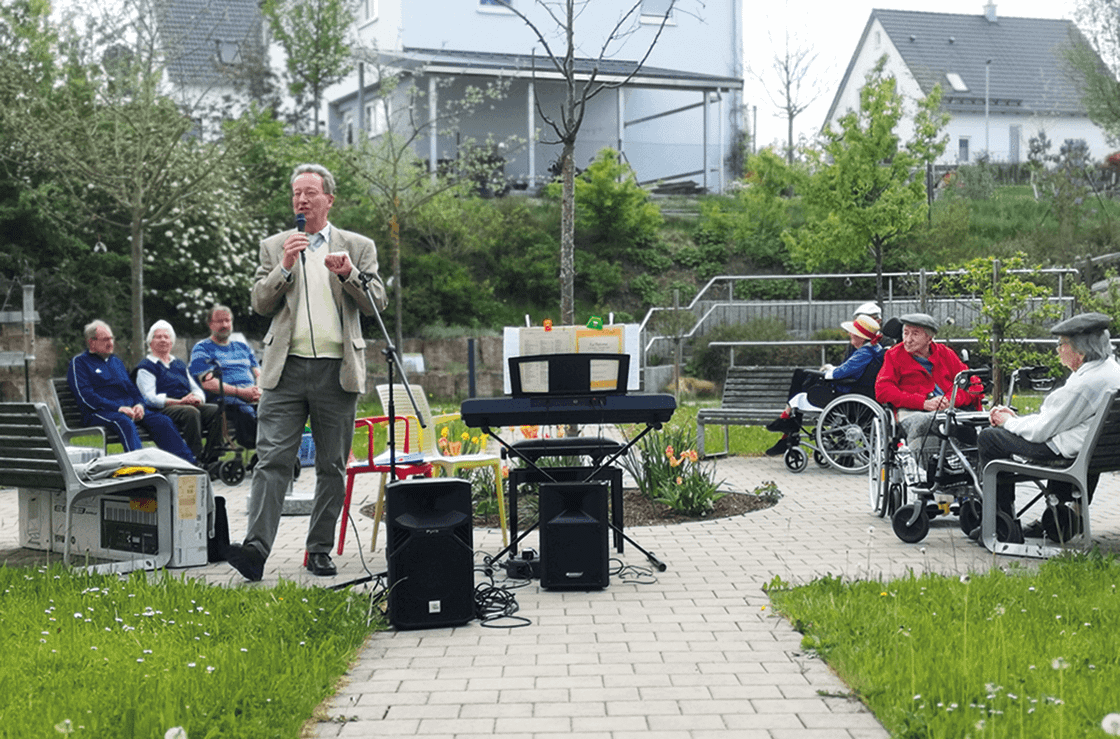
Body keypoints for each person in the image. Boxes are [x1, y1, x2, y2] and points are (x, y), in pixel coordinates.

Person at [225, 163, 386, 582]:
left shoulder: (358, 246)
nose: (301, 199)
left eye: (310, 192)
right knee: (271, 461)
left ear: (328, 199)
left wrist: (349, 274)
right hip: (285, 371)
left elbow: (376, 303)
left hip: (338, 371)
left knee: (332, 466)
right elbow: (260, 303)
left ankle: (318, 549)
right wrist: (284, 266)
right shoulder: (274, 246)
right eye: (296, 193)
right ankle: (256, 550)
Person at [975, 312, 1120, 540]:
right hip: (1099, 452)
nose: (1057, 350)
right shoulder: (1111, 369)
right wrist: (1017, 420)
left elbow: (1041, 431)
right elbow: (1056, 421)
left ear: (1081, 351)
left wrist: (1008, 421)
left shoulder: (1084, 384)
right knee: (1045, 437)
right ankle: (1059, 516)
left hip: (1070, 451)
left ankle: (999, 521)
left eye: (1062, 344)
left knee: (989, 438)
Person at [67, 319, 198, 465]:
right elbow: (86, 396)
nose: (110, 343)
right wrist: (118, 408)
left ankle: (187, 463)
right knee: (124, 422)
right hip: (99, 412)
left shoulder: (116, 362)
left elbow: (132, 389)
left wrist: (139, 405)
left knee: (162, 421)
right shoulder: (79, 363)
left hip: (129, 409)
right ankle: (140, 468)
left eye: (111, 338)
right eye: (105, 339)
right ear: (92, 342)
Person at [765, 314, 885, 457]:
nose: (849, 334)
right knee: (802, 377)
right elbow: (848, 370)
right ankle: (787, 423)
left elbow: (839, 373)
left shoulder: (864, 353)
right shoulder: (875, 349)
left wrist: (827, 372)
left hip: (844, 392)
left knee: (800, 374)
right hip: (853, 389)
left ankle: (786, 422)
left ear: (861, 337)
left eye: (852, 332)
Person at [875, 313, 983, 462]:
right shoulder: (894, 355)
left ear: (929, 338)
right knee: (926, 421)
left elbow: (974, 385)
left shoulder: (945, 353)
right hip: (912, 411)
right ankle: (922, 468)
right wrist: (922, 403)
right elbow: (883, 390)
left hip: (950, 410)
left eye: (915, 334)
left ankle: (968, 461)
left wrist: (950, 400)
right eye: (905, 333)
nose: (908, 339)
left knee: (969, 423)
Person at [135, 320, 222, 464]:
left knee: (215, 410)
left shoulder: (179, 364)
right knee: (190, 412)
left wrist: (197, 399)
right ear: (150, 342)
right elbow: (149, 398)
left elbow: (196, 388)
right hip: (162, 409)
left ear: (171, 342)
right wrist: (179, 402)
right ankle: (194, 458)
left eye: (166, 337)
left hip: (185, 404)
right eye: (158, 337)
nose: (163, 340)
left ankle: (212, 457)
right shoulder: (146, 367)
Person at [189, 305, 261, 450]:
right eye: (220, 321)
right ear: (210, 324)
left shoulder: (243, 347)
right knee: (246, 412)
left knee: (278, 408)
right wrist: (241, 392)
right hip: (224, 400)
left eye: (228, 320)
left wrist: (259, 390)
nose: (225, 325)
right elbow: (208, 383)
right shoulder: (202, 348)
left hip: (253, 396)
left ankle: (278, 453)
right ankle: (262, 453)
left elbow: (259, 373)